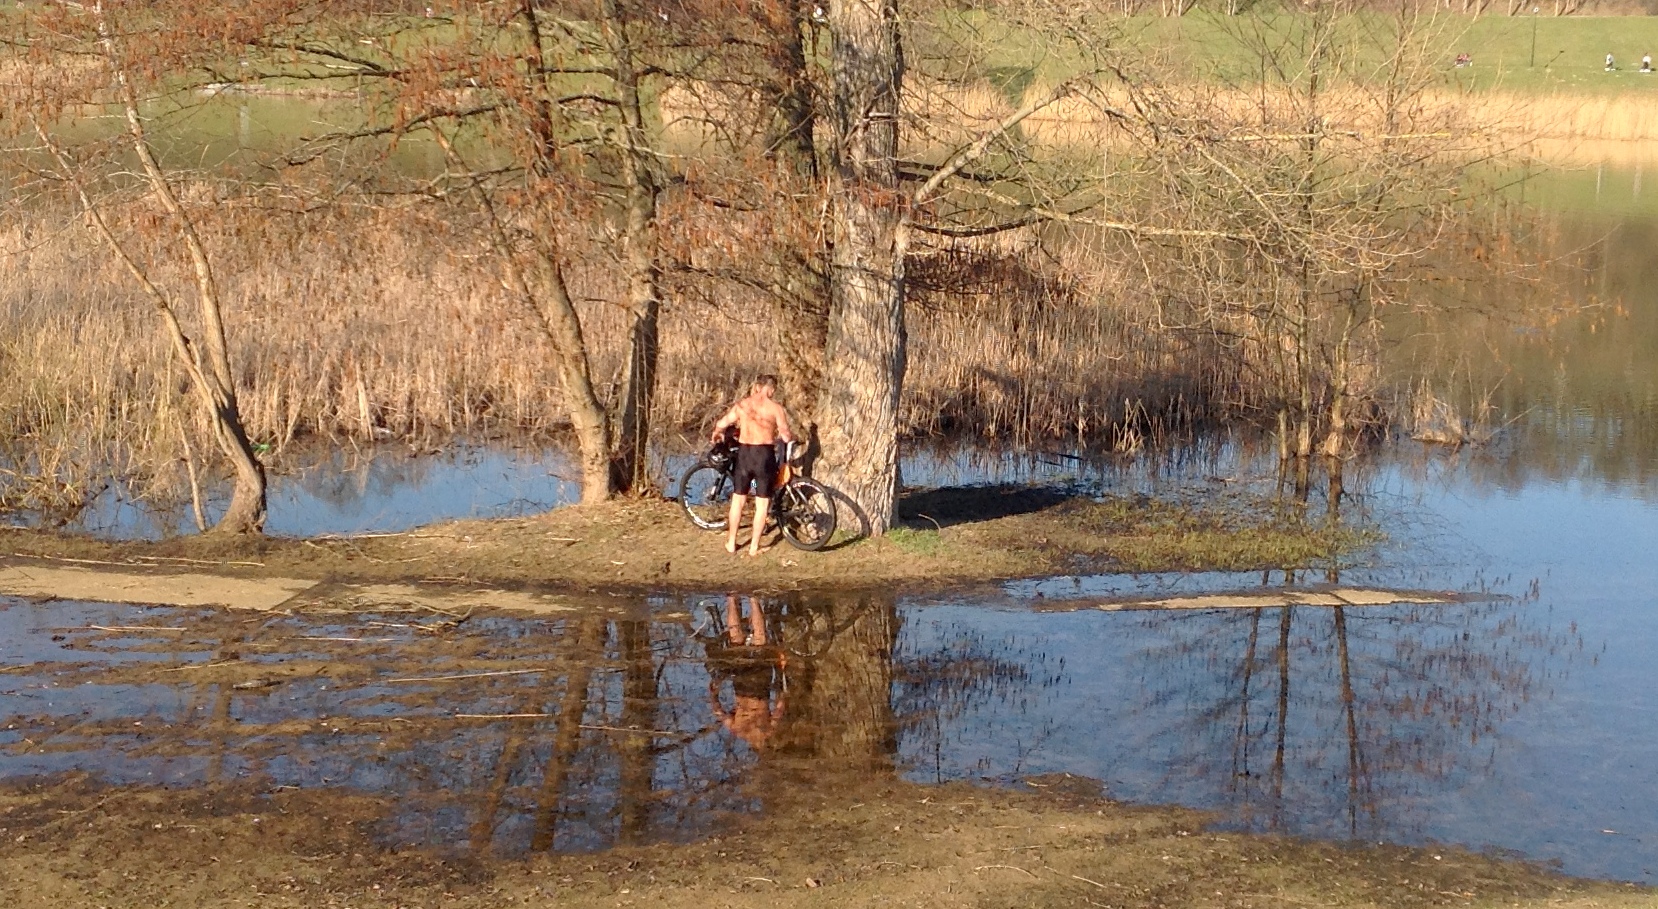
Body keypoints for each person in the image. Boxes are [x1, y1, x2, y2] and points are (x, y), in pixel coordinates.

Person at [710, 374, 796, 556]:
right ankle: (754, 547)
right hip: (763, 456)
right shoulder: (775, 408)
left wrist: (717, 432)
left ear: (757, 387)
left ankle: (731, 542)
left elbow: (723, 422)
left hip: (744, 454)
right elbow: (786, 435)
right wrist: (789, 437)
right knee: (762, 503)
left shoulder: (743, 405)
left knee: (738, 500)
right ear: (771, 389)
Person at [706, 595, 787, 751]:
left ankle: (754, 599)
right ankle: (731, 598)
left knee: (760, 640)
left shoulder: (767, 731)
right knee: (736, 640)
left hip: (760, 684)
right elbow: (718, 712)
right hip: (741, 684)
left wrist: (782, 690)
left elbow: (779, 708)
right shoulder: (738, 731)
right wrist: (714, 695)